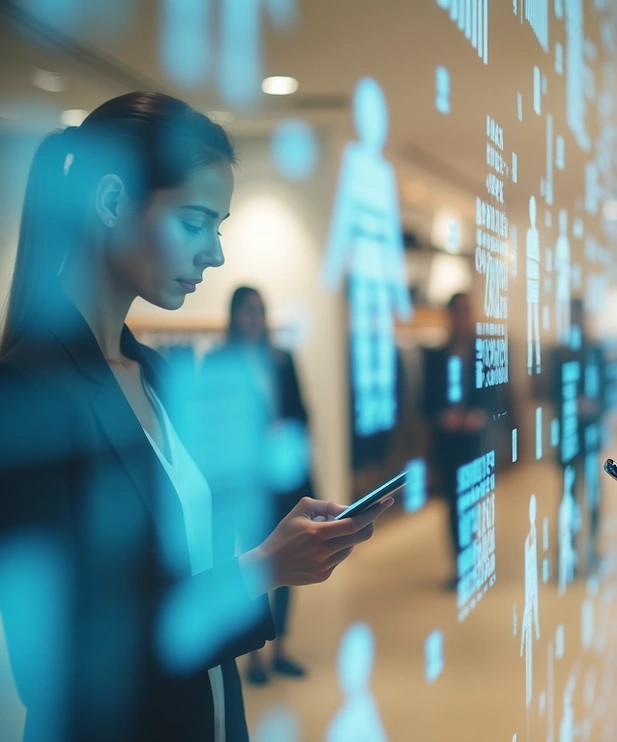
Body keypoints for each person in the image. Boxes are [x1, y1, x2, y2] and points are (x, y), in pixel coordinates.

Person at [0, 93, 391, 742]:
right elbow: (58, 664)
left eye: (219, 226)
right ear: (110, 203)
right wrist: (259, 570)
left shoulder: (152, 372)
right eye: (194, 221)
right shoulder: (28, 391)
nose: (214, 254)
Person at [201, 286, 314, 686]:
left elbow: (302, 414)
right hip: (242, 484)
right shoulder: (216, 362)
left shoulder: (282, 360)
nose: (254, 319)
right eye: (248, 311)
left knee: (288, 561)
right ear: (234, 316)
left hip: (281, 479)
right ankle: (254, 656)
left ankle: (281, 647)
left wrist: (286, 436)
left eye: (260, 311)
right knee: (255, 563)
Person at [421, 292, 489, 589]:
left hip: (474, 443)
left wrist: (480, 415)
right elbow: (424, 401)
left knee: (472, 503)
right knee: (452, 505)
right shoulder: (435, 356)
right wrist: (442, 416)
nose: (461, 318)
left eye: (466, 311)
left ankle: (473, 560)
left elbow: (495, 398)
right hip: (448, 445)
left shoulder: (483, 354)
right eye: (457, 311)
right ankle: (460, 564)